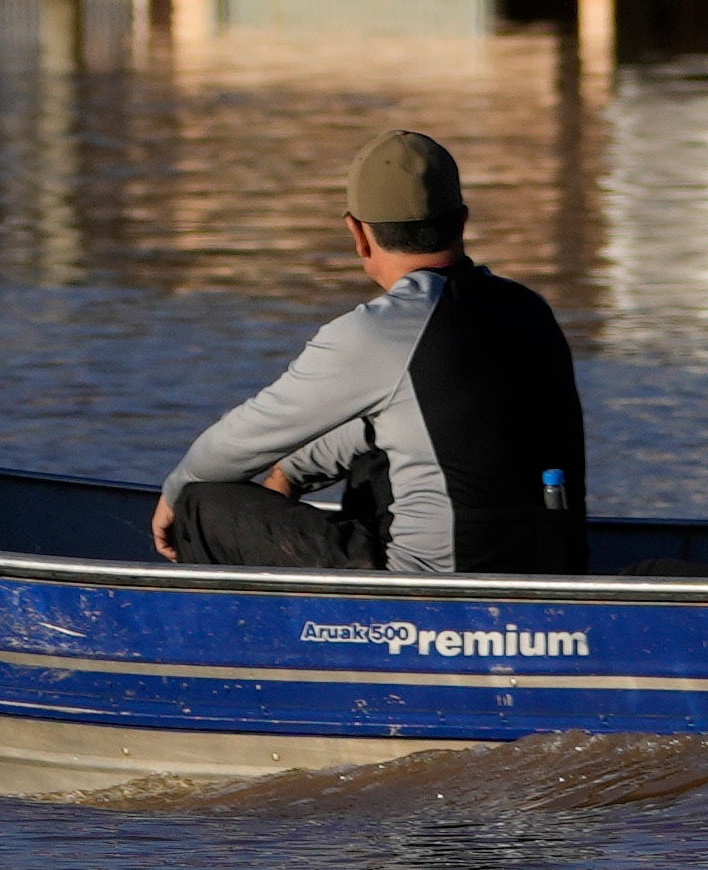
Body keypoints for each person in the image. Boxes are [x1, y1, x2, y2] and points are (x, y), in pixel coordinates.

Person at [146, 127, 592, 576]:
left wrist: (176, 490)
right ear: (461, 221)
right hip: (553, 566)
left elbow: (237, 443)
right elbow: (420, 418)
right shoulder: (528, 309)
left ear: (357, 234)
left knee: (203, 502)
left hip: (433, 588)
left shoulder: (376, 331)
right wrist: (294, 471)